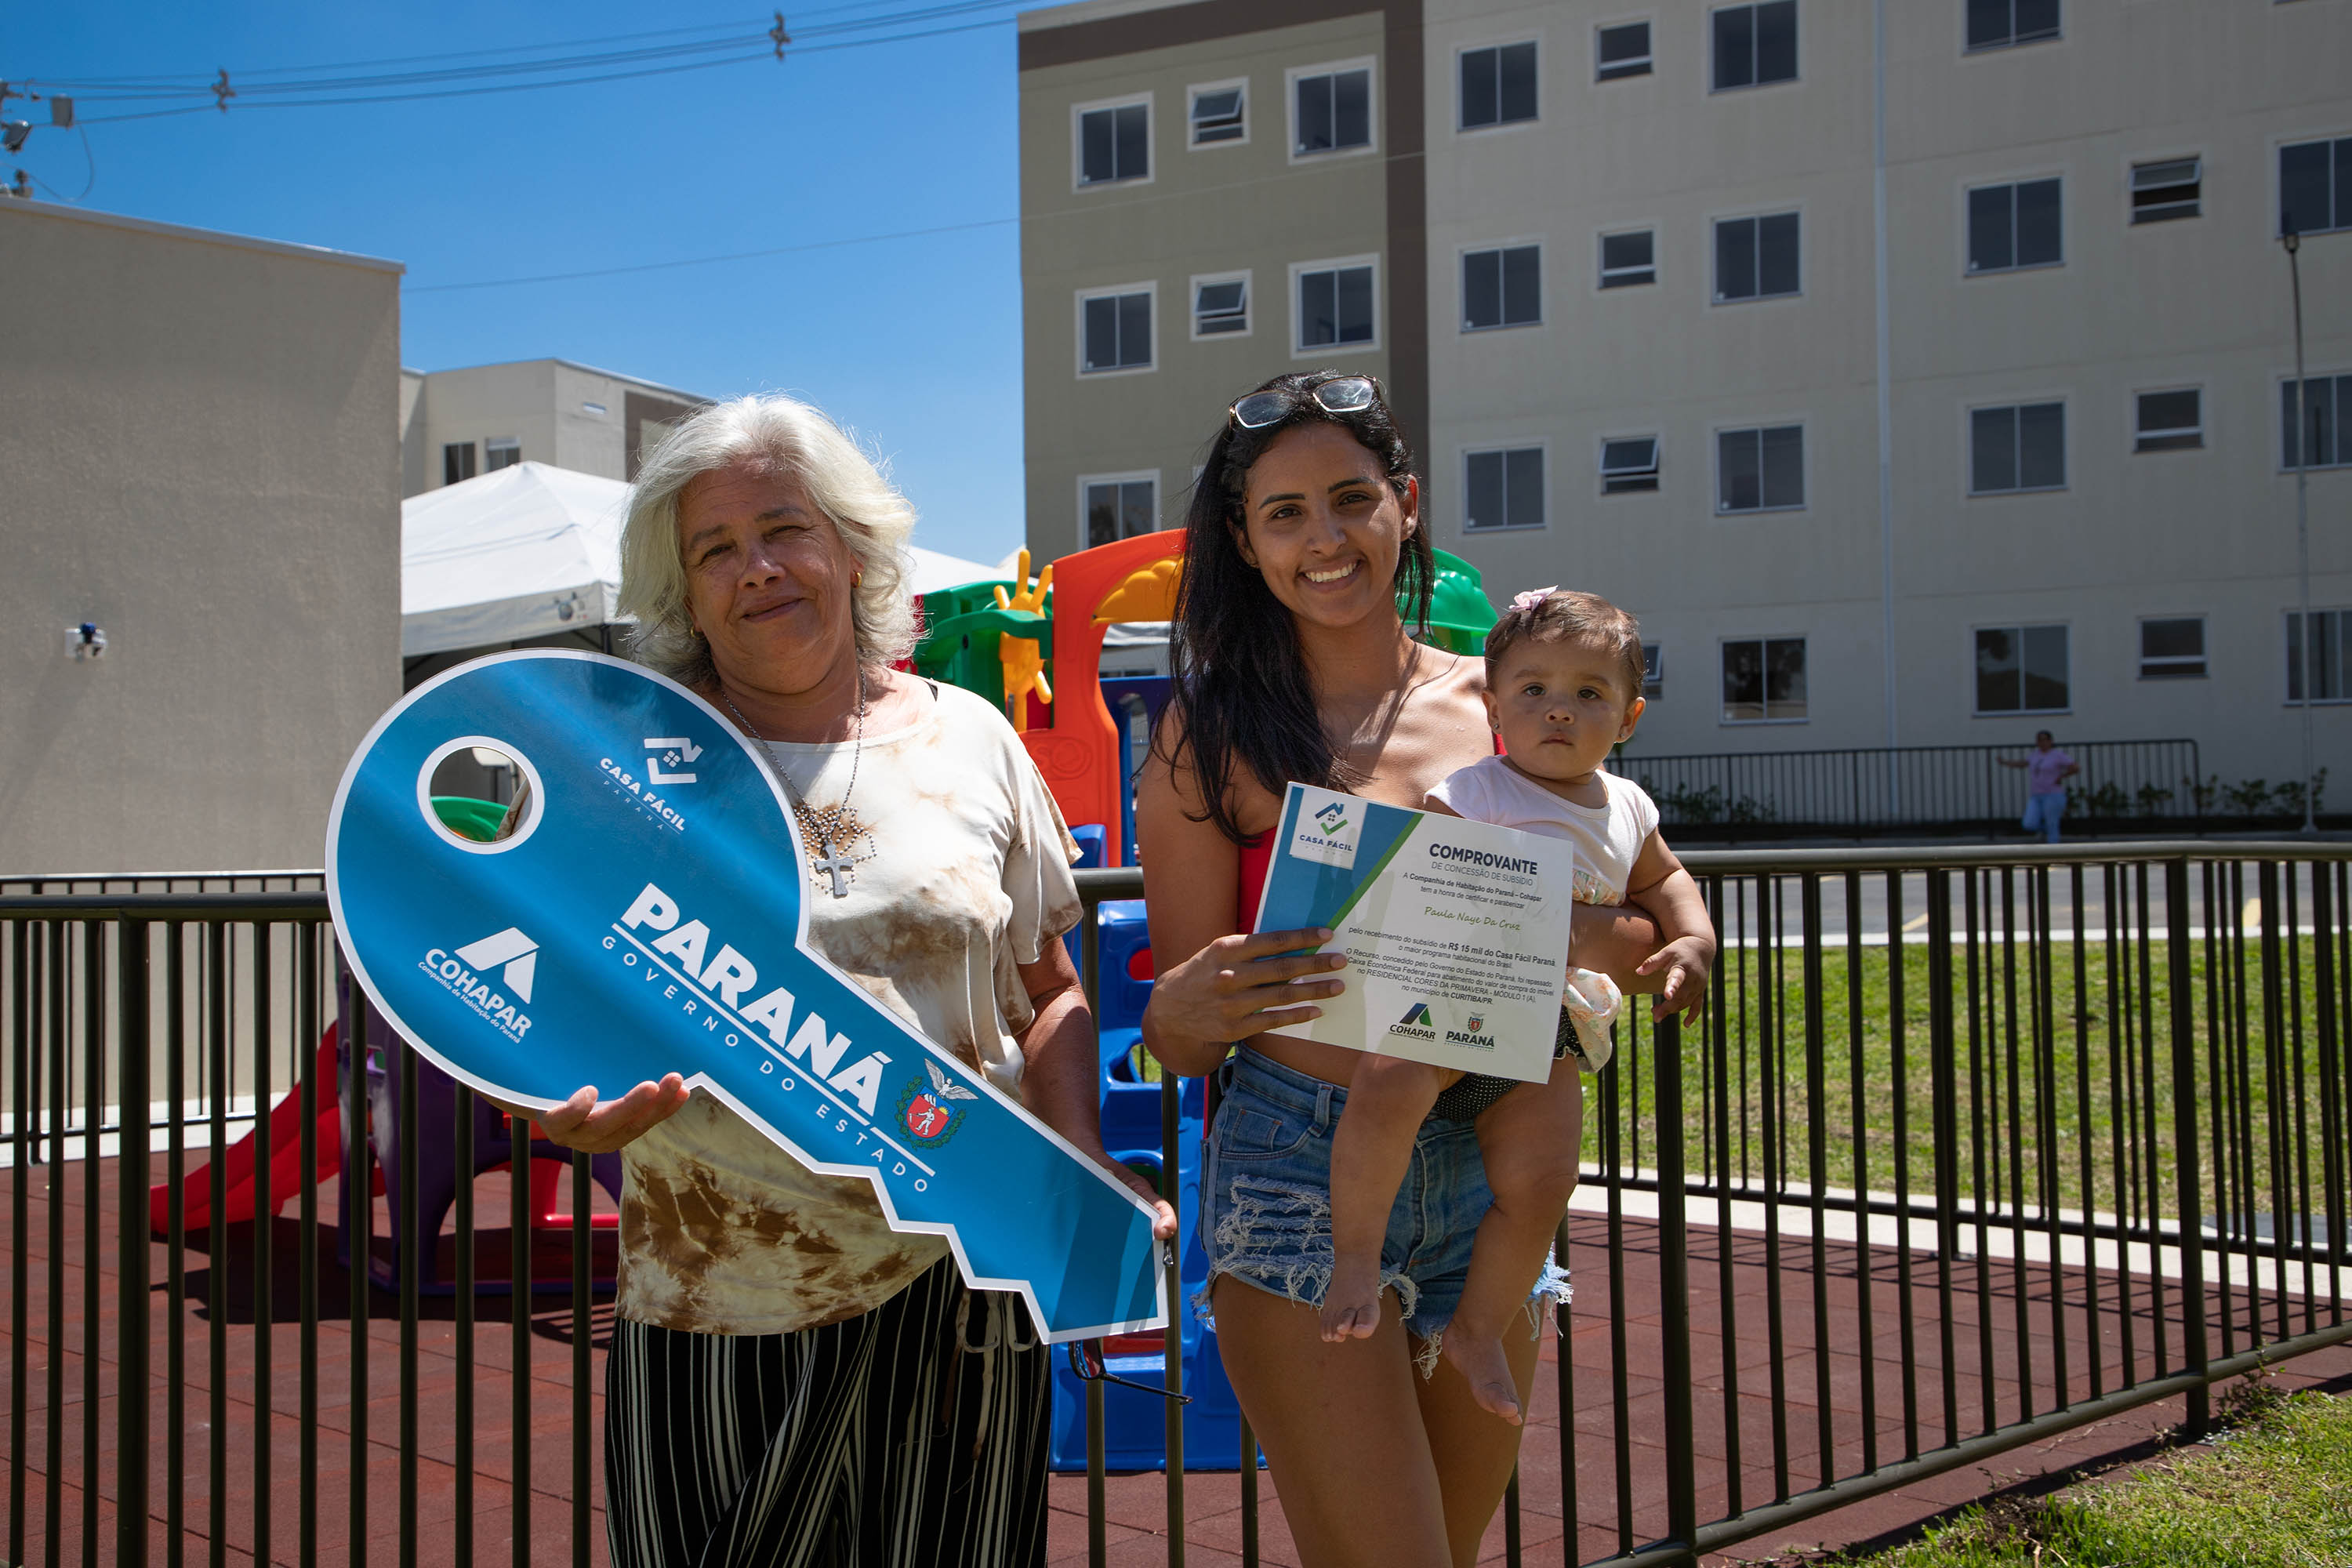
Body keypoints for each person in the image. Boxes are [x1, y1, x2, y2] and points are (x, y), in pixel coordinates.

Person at [524, 393, 1174, 1568]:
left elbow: (1056, 989)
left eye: (785, 528)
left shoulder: (969, 736)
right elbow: (536, 1004)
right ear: (683, 594)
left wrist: (1081, 1168)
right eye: (715, 549)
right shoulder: (628, 769)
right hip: (719, 1305)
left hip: (966, 1286)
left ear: (853, 547)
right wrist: (544, 1102)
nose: (757, 568)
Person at [1134, 370, 1663, 1568]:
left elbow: (1636, 930)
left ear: (1405, 505)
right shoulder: (1204, 734)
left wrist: (1522, 923)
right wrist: (1180, 1005)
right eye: (1285, 514)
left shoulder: (1516, 703)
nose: (1325, 539)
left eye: (1350, 499)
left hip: (1489, 1155)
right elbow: (1181, 1034)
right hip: (1296, 1163)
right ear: (1245, 544)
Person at [1319, 588, 1715, 1425]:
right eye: (1532, 689)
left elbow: (1666, 880)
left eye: (1588, 692)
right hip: (1460, 992)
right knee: (1387, 1082)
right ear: (1495, 705)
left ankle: (1477, 1327)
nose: (1559, 710)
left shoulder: (1629, 807)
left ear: (1630, 715)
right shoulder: (1476, 791)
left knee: (1541, 1180)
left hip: (1555, 1027)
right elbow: (1418, 882)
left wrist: (1694, 940)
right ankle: (1353, 1256)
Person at [2000, 729, 2078, 842]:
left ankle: (2054, 853)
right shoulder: (2035, 755)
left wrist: (2061, 777)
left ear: (2051, 741)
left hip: (2053, 794)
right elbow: (2023, 764)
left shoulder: (2057, 755)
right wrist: (2005, 762)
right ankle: (2046, 830)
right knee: (2029, 823)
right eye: (2039, 740)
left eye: (2045, 740)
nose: (2042, 743)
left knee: (2052, 824)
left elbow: (2075, 767)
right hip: (2036, 795)